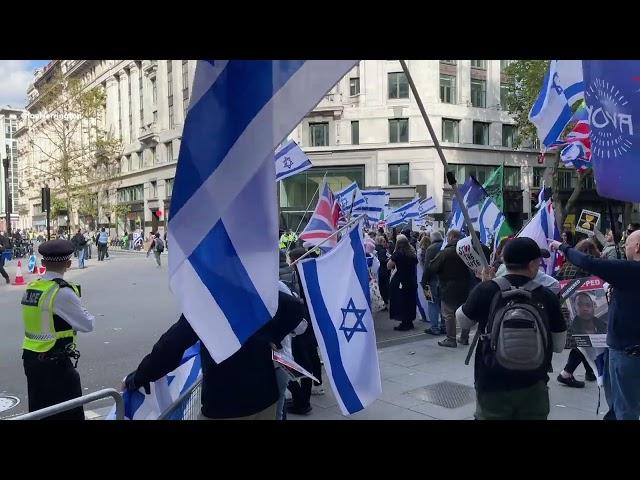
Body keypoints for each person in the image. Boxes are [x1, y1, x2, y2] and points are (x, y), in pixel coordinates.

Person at [123, 290, 306, 420]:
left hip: (225, 402)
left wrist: (139, 377)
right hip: (265, 396)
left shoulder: (209, 298)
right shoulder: (254, 290)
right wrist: (272, 336)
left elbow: (171, 346)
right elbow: (295, 308)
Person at [457, 237, 567, 420]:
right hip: (534, 384)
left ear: (505, 261)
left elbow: (463, 320)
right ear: (532, 264)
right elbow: (558, 345)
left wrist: (484, 285)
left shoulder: (487, 289)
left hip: (492, 382)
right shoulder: (547, 296)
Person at [550, 231, 640, 420]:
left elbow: (589, 262)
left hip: (627, 354)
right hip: (623, 351)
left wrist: (562, 247)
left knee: (624, 410)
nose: (625, 248)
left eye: (627, 245)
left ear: (638, 247)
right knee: (619, 408)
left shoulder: (630, 270)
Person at [21, 239, 96, 419]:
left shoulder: (33, 287)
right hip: (54, 363)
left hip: (31, 359)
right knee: (68, 413)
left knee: (40, 411)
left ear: (43, 263)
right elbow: (87, 324)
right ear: (69, 263)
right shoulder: (61, 291)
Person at [555, 238, 601, 388]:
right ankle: (566, 373)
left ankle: (590, 372)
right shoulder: (588, 268)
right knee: (583, 341)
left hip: (566, 309)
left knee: (582, 341)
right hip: (583, 310)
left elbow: (557, 285)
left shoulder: (566, 266)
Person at [428, 229, 472, 347]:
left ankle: (451, 339)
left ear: (452, 237)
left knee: (449, 314)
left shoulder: (445, 252)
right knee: (465, 312)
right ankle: (464, 337)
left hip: (448, 287)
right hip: (465, 286)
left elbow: (433, 267)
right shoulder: (466, 251)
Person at [387, 234, 418, 331]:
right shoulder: (412, 253)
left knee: (401, 301)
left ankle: (404, 323)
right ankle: (409, 321)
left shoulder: (398, 254)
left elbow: (389, 265)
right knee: (410, 301)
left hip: (400, 281)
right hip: (411, 281)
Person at [421, 231, 445, 335]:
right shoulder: (446, 246)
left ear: (432, 239)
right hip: (444, 280)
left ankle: (434, 327)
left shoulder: (431, 249)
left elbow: (427, 267)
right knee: (443, 305)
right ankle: (444, 326)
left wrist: (423, 281)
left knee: (432, 304)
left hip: (432, 281)